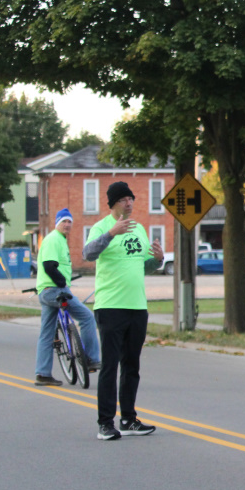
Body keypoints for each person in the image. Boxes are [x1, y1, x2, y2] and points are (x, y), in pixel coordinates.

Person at [83, 181, 163, 441]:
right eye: (124, 199)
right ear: (113, 203)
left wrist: (158, 260)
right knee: (110, 366)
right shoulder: (101, 227)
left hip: (137, 306)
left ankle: (128, 419)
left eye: (131, 199)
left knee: (132, 366)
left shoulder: (139, 228)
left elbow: (143, 267)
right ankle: (105, 423)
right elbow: (88, 254)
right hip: (111, 306)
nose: (129, 203)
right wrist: (111, 234)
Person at [34, 208, 100, 386]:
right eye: (64, 221)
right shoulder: (54, 239)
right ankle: (92, 359)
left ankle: (43, 374)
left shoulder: (59, 240)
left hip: (46, 291)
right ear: (57, 223)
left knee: (46, 333)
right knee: (87, 318)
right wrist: (62, 282)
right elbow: (49, 266)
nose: (67, 225)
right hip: (55, 291)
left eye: (70, 222)